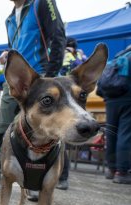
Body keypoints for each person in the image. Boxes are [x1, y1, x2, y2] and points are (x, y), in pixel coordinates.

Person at [0, 0, 65, 198]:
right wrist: (8, 55)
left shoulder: (41, 3)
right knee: (3, 128)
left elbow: (58, 35)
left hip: (39, 76)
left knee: (41, 131)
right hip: (15, 80)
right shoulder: (9, 18)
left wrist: (50, 77)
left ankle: (38, 181)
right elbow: (17, 46)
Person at [98, 42, 131, 185]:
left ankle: (111, 169)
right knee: (127, 135)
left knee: (112, 134)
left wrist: (109, 99)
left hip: (111, 101)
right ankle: (122, 172)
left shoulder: (116, 59)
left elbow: (100, 87)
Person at [56, 36, 87, 190]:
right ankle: (61, 178)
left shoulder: (64, 55)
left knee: (60, 143)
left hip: (63, 104)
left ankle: (62, 178)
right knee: (61, 144)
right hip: (74, 101)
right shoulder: (81, 56)